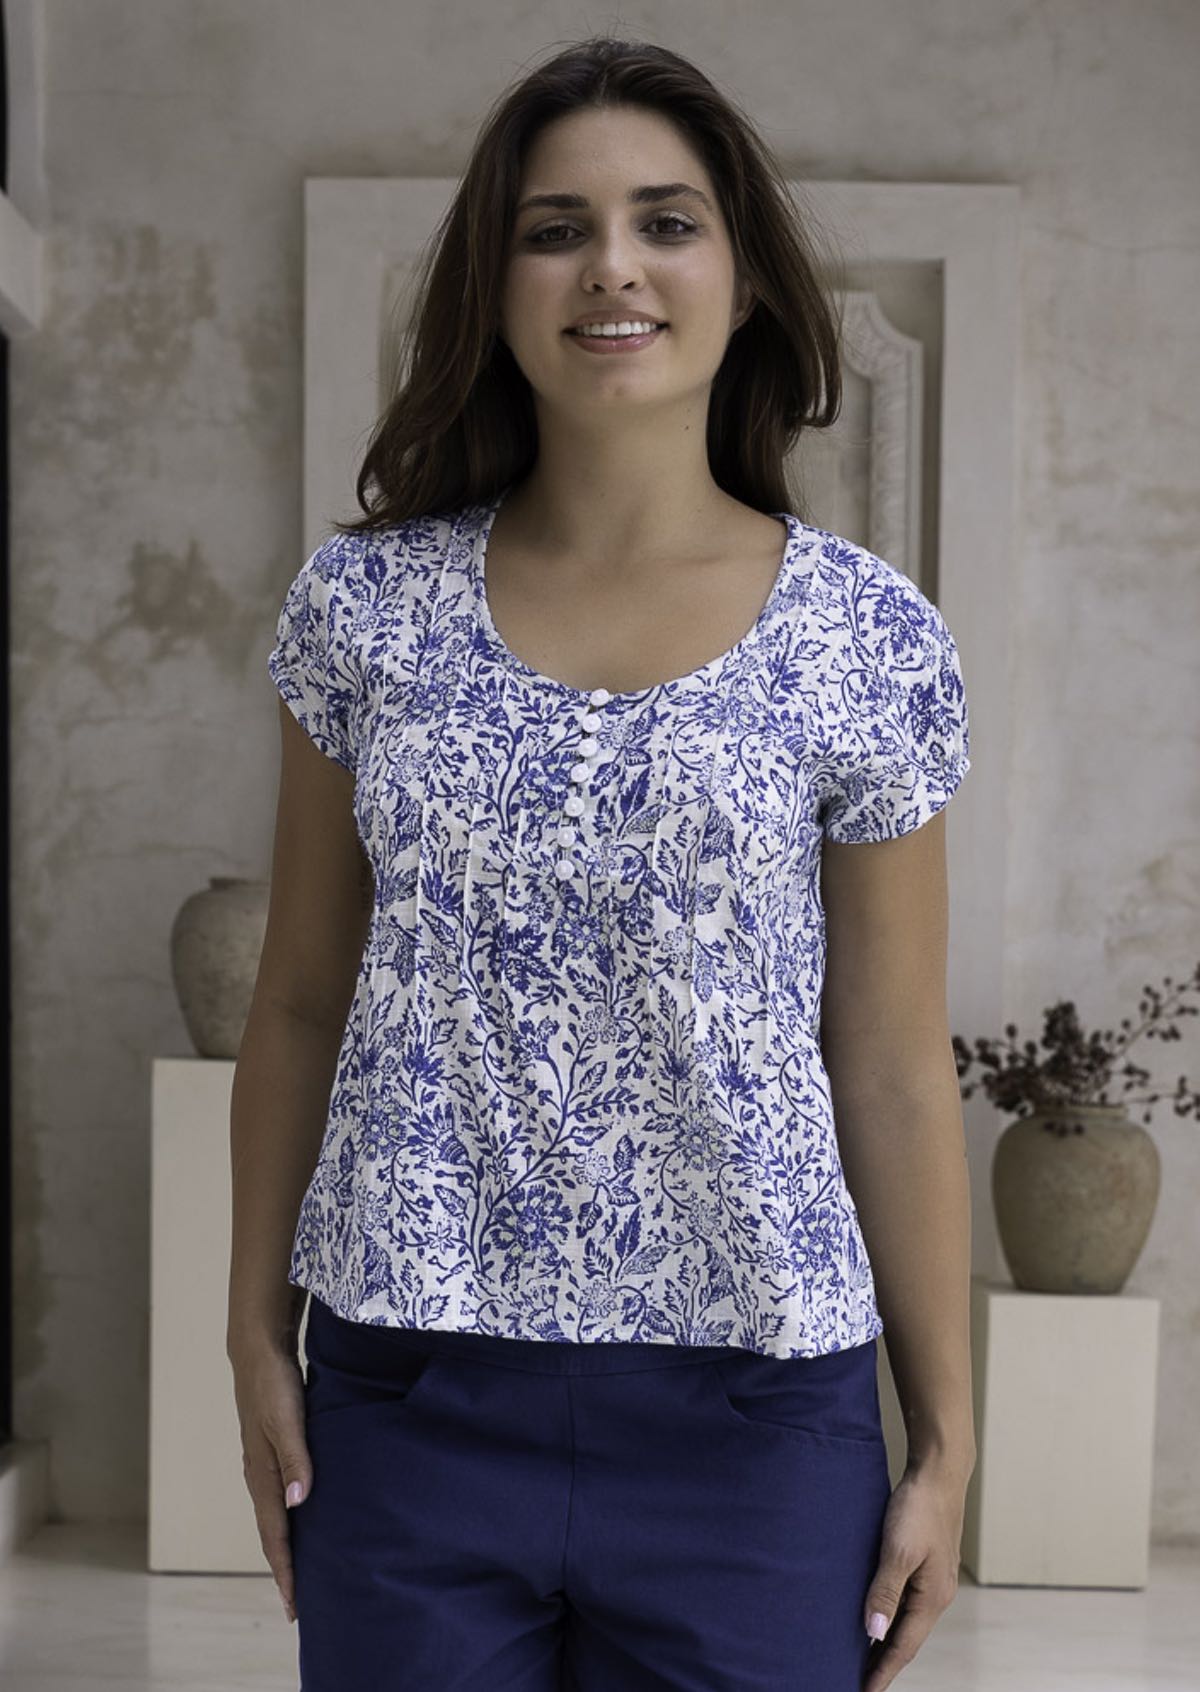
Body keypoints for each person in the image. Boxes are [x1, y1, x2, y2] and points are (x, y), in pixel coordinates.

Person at [228, 33, 976, 1692]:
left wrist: (944, 1442)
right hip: (413, 1388)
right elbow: (294, 1000)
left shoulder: (866, 637)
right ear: (495, 285)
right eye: (554, 226)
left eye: (668, 220)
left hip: (755, 1417)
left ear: (746, 280)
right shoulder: (364, 612)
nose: (612, 267)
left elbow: (895, 1061)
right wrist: (248, 1331)